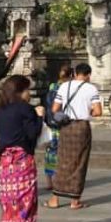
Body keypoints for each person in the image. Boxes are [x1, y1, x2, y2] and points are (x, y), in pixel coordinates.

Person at [0, 75, 45, 222]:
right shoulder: (26, 109)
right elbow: (32, 133)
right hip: (23, 162)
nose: (29, 94)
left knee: (9, 208)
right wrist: (39, 117)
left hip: (6, 165)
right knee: (26, 206)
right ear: (19, 91)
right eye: (27, 90)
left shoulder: (0, 110)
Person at [46, 62, 102, 210]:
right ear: (88, 75)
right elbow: (98, 112)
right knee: (80, 163)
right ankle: (74, 201)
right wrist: (86, 111)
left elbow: (54, 108)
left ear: (75, 73)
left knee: (62, 160)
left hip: (66, 126)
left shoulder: (64, 86)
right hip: (81, 128)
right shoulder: (91, 89)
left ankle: (54, 199)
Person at [43, 65, 71, 201]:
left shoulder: (52, 86)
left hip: (50, 123)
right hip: (62, 123)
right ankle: (60, 179)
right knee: (63, 151)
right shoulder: (67, 88)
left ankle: (49, 180)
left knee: (50, 151)